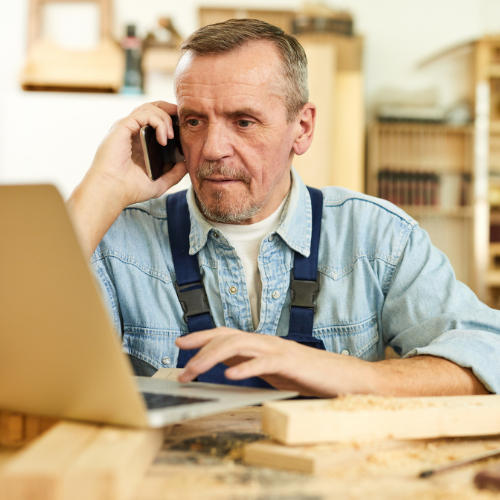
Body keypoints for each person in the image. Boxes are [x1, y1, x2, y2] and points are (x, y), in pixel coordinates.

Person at [68, 19, 499, 397]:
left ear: (302, 128)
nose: (213, 149)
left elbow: (487, 358)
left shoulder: (377, 238)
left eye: (243, 121)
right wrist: (101, 187)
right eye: (195, 121)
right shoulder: (115, 241)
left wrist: (341, 373)